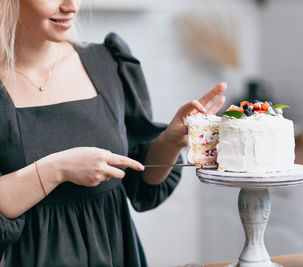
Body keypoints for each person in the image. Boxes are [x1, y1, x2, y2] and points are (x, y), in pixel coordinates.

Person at [0, 0, 226, 266]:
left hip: (117, 254)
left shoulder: (109, 63)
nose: (71, 5)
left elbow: (140, 183)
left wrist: (170, 141)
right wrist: (58, 169)